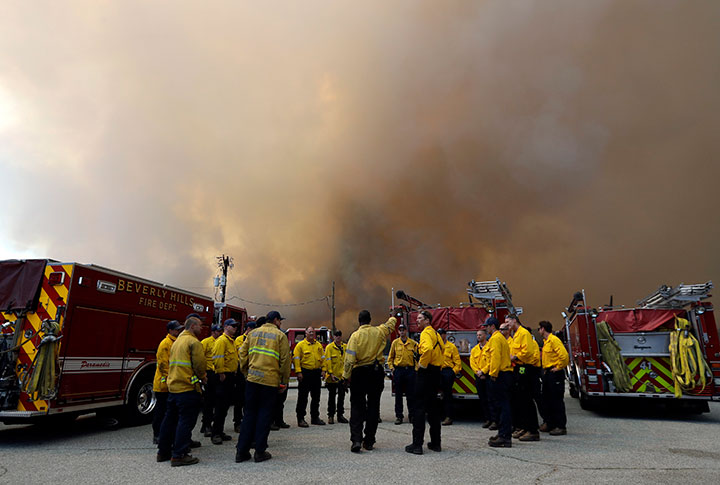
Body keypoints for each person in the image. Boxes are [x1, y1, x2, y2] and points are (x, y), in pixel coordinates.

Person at [235, 310, 291, 463]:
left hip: (252, 381)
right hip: (269, 382)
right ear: (275, 320)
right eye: (280, 321)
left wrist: (246, 372)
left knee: (249, 415)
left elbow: (242, 354)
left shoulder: (252, 334)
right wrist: (284, 381)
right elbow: (285, 360)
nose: (280, 324)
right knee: (264, 416)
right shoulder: (280, 336)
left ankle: (241, 452)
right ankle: (260, 452)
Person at [157, 315, 207, 466]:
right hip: (187, 388)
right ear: (192, 326)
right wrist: (203, 377)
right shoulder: (193, 342)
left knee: (169, 420)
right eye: (200, 326)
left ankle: (163, 452)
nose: (202, 328)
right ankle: (179, 455)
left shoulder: (176, 341)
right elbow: (199, 366)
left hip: (173, 388)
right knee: (186, 421)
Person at [343, 310, 397, 453]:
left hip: (359, 373)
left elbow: (349, 360)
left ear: (359, 321)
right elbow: (389, 326)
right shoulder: (378, 332)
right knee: (373, 407)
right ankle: (369, 441)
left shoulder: (355, 336)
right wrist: (393, 316)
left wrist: (345, 377)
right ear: (370, 320)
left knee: (356, 407)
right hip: (375, 373)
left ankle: (356, 440)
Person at [405, 310, 444, 455]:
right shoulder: (436, 334)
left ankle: (417, 445)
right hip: (435, 373)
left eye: (420, 318)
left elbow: (426, 349)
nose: (417, 321)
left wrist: (422, 365)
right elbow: (442, 350)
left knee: (419, 408)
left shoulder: (426, 334)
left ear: (427, 320)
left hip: (425, 374)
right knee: (433, 409)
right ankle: (436, 443)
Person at [507, 314, 541, 442]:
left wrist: (515, 357)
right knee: (521, 400)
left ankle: (532, 430)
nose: (507, 324)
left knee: (527, 399)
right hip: (519, 368)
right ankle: (525, 427)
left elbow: (527, 352)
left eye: (508, 321)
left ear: (515, 320)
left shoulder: (523, 333)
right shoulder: (516, 335)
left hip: (525, 368)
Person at [483, 318, 513, 448]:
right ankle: (503, 433)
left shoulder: (495, 339)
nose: (486, 329)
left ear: (492, 326)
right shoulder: (500, 338)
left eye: (487, 326)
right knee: (503, 405)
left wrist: (493, 375)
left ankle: (504, 437)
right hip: (505, 374)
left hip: (500, 375)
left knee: (502, 407)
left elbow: (495, 357)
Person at [151, 320, 183, 444]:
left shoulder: (174, 342)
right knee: (160, 411)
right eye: (176, 329)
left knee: (169, 411)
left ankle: (168, 434)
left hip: (170, 383)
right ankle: (157, 434)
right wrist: (172, 379)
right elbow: (163, 365)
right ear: (170, 330)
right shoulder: (165, 344)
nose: (178, 331)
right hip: (163, 384)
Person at [537, 321, 569, 435]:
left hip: (554, 374)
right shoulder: (547, 342)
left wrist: (558, 367)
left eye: (539, 328)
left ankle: (560, 426)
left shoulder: (554, 340)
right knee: (547, 400)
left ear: (543, 329)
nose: (539, 331)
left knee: (556, 401)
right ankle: (550, 423)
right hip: (547, 374)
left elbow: (564, 356)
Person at [210, 318, 238, 444]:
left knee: (225, 406)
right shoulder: (222, 341)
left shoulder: (230, 341)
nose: (235, 328)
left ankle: (220, 431)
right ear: (226, 327)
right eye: (232, 326)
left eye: (236, 326)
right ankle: (215, 433)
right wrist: (221, 373)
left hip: (230, 376)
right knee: (220, 406)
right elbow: (217, 358)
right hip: (223, 376)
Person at [294, 326, 326, 427]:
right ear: (305, 333)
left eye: (313, 332)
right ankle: (300, 419)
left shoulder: (318, 345)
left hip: (316, 373)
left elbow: (323, 359)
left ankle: (315, 417)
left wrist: (324, 370)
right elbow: (296, 360)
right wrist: (298, 372)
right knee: (303, 397)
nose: (312, 334)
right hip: (305, 373)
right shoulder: (300, 345)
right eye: (310, 332)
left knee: (316, 397)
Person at [387, 323, 417, 425]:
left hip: (410, 371)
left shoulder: (413, 343)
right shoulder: (395, 343)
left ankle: (412, 415)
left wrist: (416, 370)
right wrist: (392, 369)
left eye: (404, 330)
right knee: (398, 395)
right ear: (398, 332)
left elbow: (417, 358)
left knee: (411, 395)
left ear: (406, 331)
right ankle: (399, 416)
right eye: (400, 330)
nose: (402, 332)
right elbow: (390, 358)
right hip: (399, 371)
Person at [233, 319, 258, 432]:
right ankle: (237, 422)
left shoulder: (255, 339)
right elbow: (240, 353)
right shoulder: (239, 340)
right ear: (248, 329)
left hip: (251, 371)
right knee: (239, 399)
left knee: (249, 399)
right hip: (240, 371)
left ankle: (247, 422)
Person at [200, 323, 222, 437]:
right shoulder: (206, 342)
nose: (219, 333)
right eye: (217, 331)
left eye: (220, 331)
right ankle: (206, 425)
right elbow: (201, 358)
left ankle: (211, 424)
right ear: (212, 332)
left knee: (216, 400)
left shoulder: (221, 342)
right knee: (208, 400)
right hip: (209, 373)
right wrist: (203, 375)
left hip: (217, 373)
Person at [323, 330, 348, 424]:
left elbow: (347, 361)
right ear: (333, 337)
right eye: (336, 335)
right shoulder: (329, 347)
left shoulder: (345, 347)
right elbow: (327, 361)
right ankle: (331, 415)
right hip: (332, 377)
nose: (338, 337)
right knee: (332, 397)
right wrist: (330, 373)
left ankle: (340, 415)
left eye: (339, 335)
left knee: (342, 397)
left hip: (342, 377)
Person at [438, 328, 461, 426]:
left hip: (447, 372)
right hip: (437, 372)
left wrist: (453, 372)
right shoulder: (434, 346)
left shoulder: (451, 347)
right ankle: (439, 415)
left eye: (441, 334)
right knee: (437, 395)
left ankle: (448, 417)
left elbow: (457, 362)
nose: (439, 336)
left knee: (447, 395)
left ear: (445, 335)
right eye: (438, 334)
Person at [469, 327, 491, 428]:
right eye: (477, 335)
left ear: (485, 335)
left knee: (491, 398)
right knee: (482, 399)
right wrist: (478, 372)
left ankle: (494, 419)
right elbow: (472, 362)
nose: (478, 337)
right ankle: (487, 419)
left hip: (488, 375)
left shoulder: (490, 348)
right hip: (478, 376)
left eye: (480, 335)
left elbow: (491, 361)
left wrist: (484, 371)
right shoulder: (474, 350)